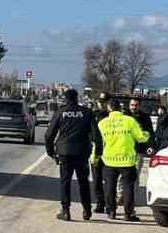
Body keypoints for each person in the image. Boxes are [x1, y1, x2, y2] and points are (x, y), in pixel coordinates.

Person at [45, 87, 96, 221]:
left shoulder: (61, 112)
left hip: (64, 152)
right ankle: (87, 210)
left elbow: (49, 135)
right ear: (77, 98)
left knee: (65, 181)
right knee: (83, 182)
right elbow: (96, 135)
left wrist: (51, 152)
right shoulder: (87, 112)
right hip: (82, 153)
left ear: (66, 99)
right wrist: (99, 152)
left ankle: (65, 210)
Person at [96, 99, 148, 221]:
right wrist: (147, 136)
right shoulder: (129, 121)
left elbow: (98, 142)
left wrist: (95, 156)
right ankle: (128, 213)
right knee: (128, 187)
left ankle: (111, 211)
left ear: (109, 108)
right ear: (120, 108)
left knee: (109, 186)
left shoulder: (102, 123)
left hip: (109, 160)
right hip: (127, 160)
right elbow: (141, 137)